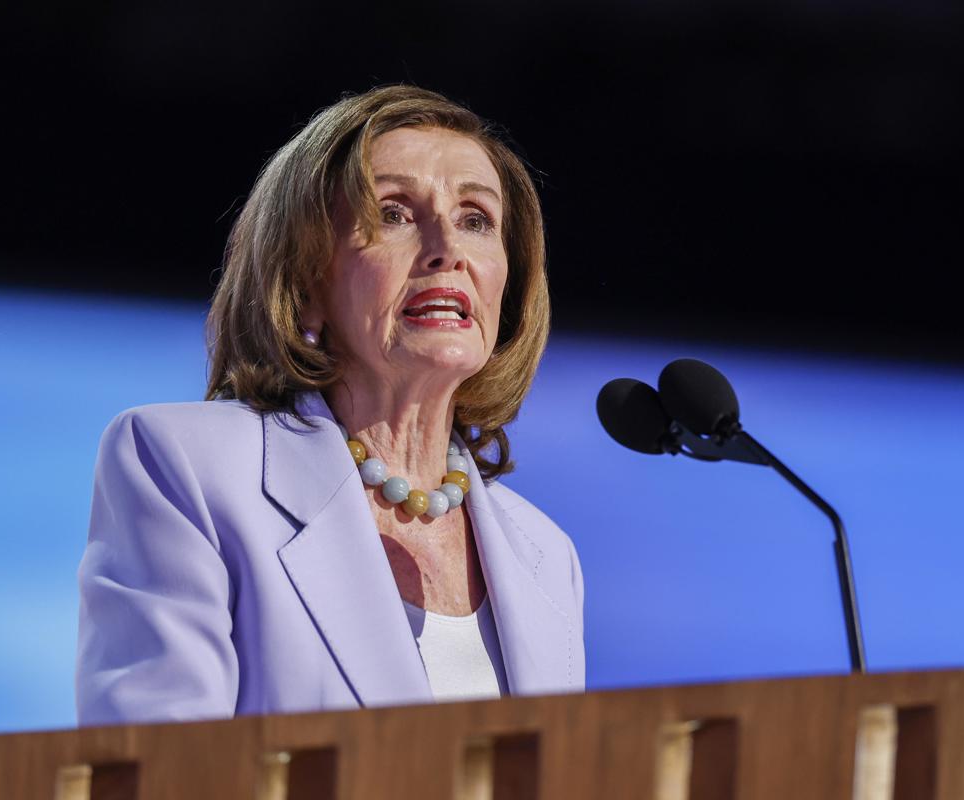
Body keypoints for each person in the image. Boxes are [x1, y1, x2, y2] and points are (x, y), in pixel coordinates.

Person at [75, 85, 585, 726]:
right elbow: (159, 768)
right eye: (395, 213)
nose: (447, 248)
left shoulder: (544, 553)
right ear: (305, 280)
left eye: (476, 218)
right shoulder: (188, 468)